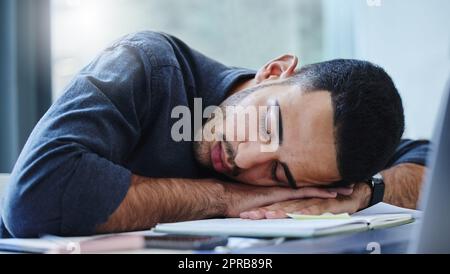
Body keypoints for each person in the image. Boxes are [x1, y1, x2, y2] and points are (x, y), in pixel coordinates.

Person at [0, 31, 429, 238]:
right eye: (266, 124)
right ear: (274, 72)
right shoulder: (147, 66)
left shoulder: (328, 151)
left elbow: (433, 168)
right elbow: (32, 204)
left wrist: (366, 192)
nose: (244, 160)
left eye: (278, 174)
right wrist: (229, 198)